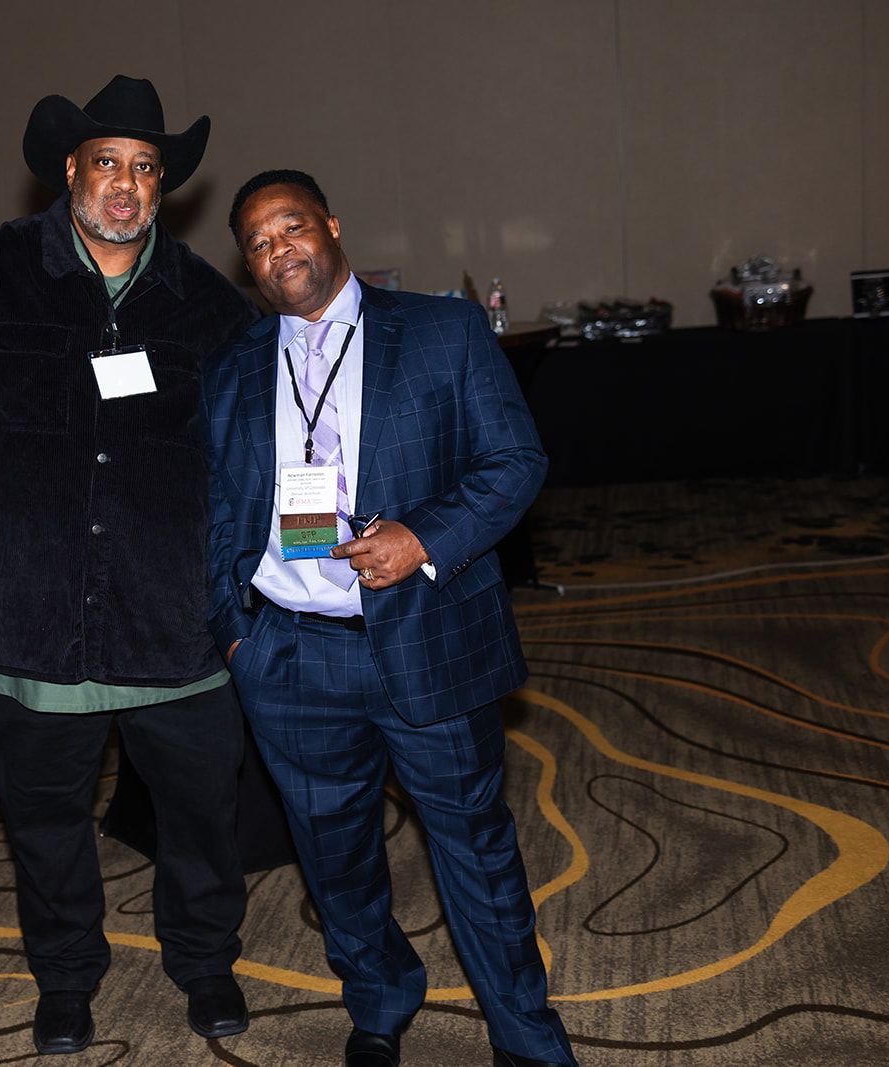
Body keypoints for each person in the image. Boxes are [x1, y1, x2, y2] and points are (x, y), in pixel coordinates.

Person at [0, 75, 259, 1055]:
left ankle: (205, 959)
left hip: (173, 623)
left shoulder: (208, 305)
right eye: (107, 163)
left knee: (201, 815)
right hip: (33, 622)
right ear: (70, 170)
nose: (126, 186)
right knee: (44, 823)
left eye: (145, 168)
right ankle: (64, 976)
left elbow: (266, 444)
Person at [205, 170, 578, 1067]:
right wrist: (236, 630)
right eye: (257, 242)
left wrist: (423, 538)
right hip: (289, 654)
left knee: (476, 849)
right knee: (333, 859)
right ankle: (378, 1000)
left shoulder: (442, 330)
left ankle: (525, 1037)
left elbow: (516, 461)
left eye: (291, 226)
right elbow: (216, 508)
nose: (278, 250)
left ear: (331, 226)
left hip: (426, 633)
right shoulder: (235, 365)